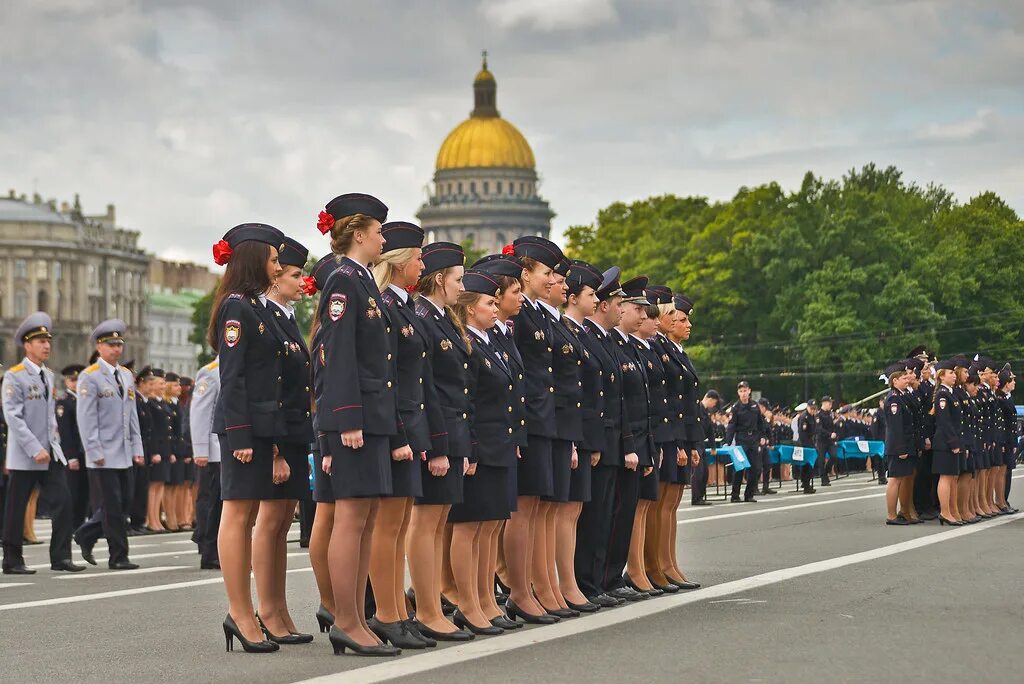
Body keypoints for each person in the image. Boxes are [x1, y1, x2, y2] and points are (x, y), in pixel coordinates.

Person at [314, 194, 403, 656]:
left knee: (366, 520)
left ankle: (359, 619)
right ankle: (346, 619)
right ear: (359, 234)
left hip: (374, 416)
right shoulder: (344, 282)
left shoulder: (363, 282)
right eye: (379, 230)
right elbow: (337, 352)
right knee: (350, 519)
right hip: (356, 419)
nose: (384, 238)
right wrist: (346, 417)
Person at [209, 222, 286, 654]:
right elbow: (232, 376)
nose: (278, 266)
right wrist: (240, 432)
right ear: (254, 260)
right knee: (237, 517)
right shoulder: (237, 308)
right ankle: (240, 612)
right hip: (243, 428)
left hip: (259, 427)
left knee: (248, 516)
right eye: (273, 259)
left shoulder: (254, 306)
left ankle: (247, 610)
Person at [368, 221, 441, 649]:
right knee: (388, 525)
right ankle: (387, 612)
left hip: (410, 426)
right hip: (397, 426)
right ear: (397, 263)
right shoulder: (385, 307)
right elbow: (387, 378)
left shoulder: (403, 306)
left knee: (396, 526)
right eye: (416, 256)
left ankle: (397, 609)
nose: (421, 264)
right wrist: (399, 434)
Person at [247, 234, 315, 646]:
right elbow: (263, 385)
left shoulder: (285, 316)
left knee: (280, 527)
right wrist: (272, 448)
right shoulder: (262, 316)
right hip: (275, 432)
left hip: (293, 429)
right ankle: (266, 609)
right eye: (293, 273)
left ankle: (280, 607)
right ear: (273, 279)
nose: (301, 281)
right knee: (269, 524)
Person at [407, 241, 473, 642]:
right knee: (426, 522)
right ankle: (427, 608)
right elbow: (425, 387)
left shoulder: (442, 317)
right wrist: (436, 443)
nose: (460, 287)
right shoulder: (423, 318)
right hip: (437, 432)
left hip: (451, 429)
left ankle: (431, 602)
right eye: (457, 279)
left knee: (437, 522)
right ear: (437, 279)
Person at [447, 268, 519, 635]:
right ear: (470, 308)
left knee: (490, 527)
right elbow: (465, 402)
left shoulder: (489, 342)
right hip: (479, 446)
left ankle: (486, 600)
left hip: (498, 444)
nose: (496, 308)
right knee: (468, 527)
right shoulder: (468, 345)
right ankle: (468, 602)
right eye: (490, 302)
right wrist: (470, 448)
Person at [2, 313, 81, 574]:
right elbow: (13, 416)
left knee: (63, 502)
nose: (46, 345)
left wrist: (53, 446)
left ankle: (61, 557)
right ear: (27, 345)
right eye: (40, 341)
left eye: (48, 340)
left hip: (49, 453)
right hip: (26, 454)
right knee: (16, 508)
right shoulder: (15, 376)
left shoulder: (47, 375)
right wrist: (34, 447)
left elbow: (49, 418)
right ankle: (12, 560)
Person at [576, 267, 633, 607]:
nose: (620, 309)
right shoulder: (589, 338)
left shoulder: (606, 341)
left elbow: (617, 398)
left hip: (609, 438)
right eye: (616, 302)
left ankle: (598, 580)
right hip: (597, 438)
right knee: (594, 516)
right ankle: (588, 581)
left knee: (606, 514)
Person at [73, 319, 145, 568]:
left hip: (124, 450)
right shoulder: (89, 377)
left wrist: (137, 448)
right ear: (99, 347)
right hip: (102, 452)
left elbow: (131, 415)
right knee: (112, 505)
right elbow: (86, 418)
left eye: (119, 344)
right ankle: (118, 556)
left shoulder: (125, 375)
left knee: (124, 502)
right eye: (110, 344)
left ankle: (86, 534)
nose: (116, 349)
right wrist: (93, 449)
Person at [536, 257, 584, 616]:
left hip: (555, 425)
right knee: (531, 514)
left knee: (549, 512)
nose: (560, 283)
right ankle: (531, 590)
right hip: (537, 426)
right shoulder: (528, 318)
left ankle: (550, 586)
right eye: (551, 274)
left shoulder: (545, 319)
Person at [606, 276, 653, 600]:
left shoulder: (625, 346)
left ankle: (613, 576)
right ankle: (604, 577)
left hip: (632, 438)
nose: (634, 313)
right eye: (630, 306)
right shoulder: (616, 344)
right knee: (612, 513)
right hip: (616, 440)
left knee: (625, 512)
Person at [631, 299, 674, 595]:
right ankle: (638, 568)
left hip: (653, 434)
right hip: (636, 435)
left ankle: (659, 564)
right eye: (649, 315)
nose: (655, 322)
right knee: (638, 507)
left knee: (656, 505)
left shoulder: (655, 349)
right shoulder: (632, 346)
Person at [190, 358, 222, 569]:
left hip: (229, 448)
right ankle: (209, 551)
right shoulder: (210, 372)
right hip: (214, 449)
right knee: (212, 502)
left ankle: (215, 547)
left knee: (222, 504)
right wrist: (201, 449)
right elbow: (201, 411)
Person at [882, 362, 916, 525]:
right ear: (894, 381)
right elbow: (896, 427)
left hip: (904, 444)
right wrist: (901, 448)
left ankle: (899, 513)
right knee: (894, 479)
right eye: (903, 378)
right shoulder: (894, 399)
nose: (906, 379)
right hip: (897, 446)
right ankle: (891, 515)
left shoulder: (901, 396)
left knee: (901, 479)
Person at [930, 359, 963, 525]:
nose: (954, 376)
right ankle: (945, 512)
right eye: (951, 373)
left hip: (951, 441)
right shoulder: (943, 394)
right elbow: (944, 422)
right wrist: (953, 442)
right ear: (942, 376)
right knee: (946, 477)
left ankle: (951, 511)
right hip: (945, 443)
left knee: (951, 477)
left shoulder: (950, 392)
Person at [56, 364, 89, 528]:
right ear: (66, 382)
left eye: (78, 380)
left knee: (85, 491)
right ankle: (72, 524)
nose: (75, 383)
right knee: (73, 491)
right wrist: (71, 456)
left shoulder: (85, 399)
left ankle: (81, 523)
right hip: (74, 451)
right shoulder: (64, 402)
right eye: (72, 380)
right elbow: (65, 432)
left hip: (87, 452)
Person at [727, 381, 766, 502]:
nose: (743, 393)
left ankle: (749, 495)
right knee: (739, 469)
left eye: (745, 390)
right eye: (741, 391)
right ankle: (735, 495)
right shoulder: (736, 408)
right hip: (741, 439)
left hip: (754, 439)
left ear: (749, 391)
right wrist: (728, 442)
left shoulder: (754, 406)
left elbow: (761, 422)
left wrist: (763, 436)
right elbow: (731, 425)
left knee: (755, 469)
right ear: (738, 393)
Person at [145, 368, 172, 532]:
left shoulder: (161, 403)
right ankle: (151, 519)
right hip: (156, 449)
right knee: (153, 486)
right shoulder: (150, 403)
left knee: (159, 486)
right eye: (160, 383)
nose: (163, 386)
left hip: (164, 449)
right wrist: (154, 451)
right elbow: (152, 430)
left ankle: (156, 519)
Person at [128, 367, 154, 535]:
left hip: (143, 448)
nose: (152, 386)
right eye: (149, 383)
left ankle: (138, 521)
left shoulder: (144, 401)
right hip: (135, 450)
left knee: (141, 487)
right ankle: (132, 522)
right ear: (141, 383)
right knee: (133, 487)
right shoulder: (136, 400)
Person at [797, 400, 818, 494]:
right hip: (805, 443)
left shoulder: (813, 416)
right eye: (811, 408)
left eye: (814, 409)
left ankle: (807, 483)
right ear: (808, 407)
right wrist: (808, 446)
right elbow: (802, 434)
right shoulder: (804, 417)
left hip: (811, 442)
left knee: (810, 464)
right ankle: (806, 484)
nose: (813, 410)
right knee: (806, 465)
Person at [815, 396, 837, 486]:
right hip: (822, 440)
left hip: (830, 440)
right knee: (821, 460)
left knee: (834, 456)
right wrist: (829, 434)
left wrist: (834, 435)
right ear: (824, 403)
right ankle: (824, 479)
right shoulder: (818, 415)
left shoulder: (829, 414)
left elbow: (832, 427)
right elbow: (819, 429)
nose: (831, 405)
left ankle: (826, 471)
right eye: (829, 403)